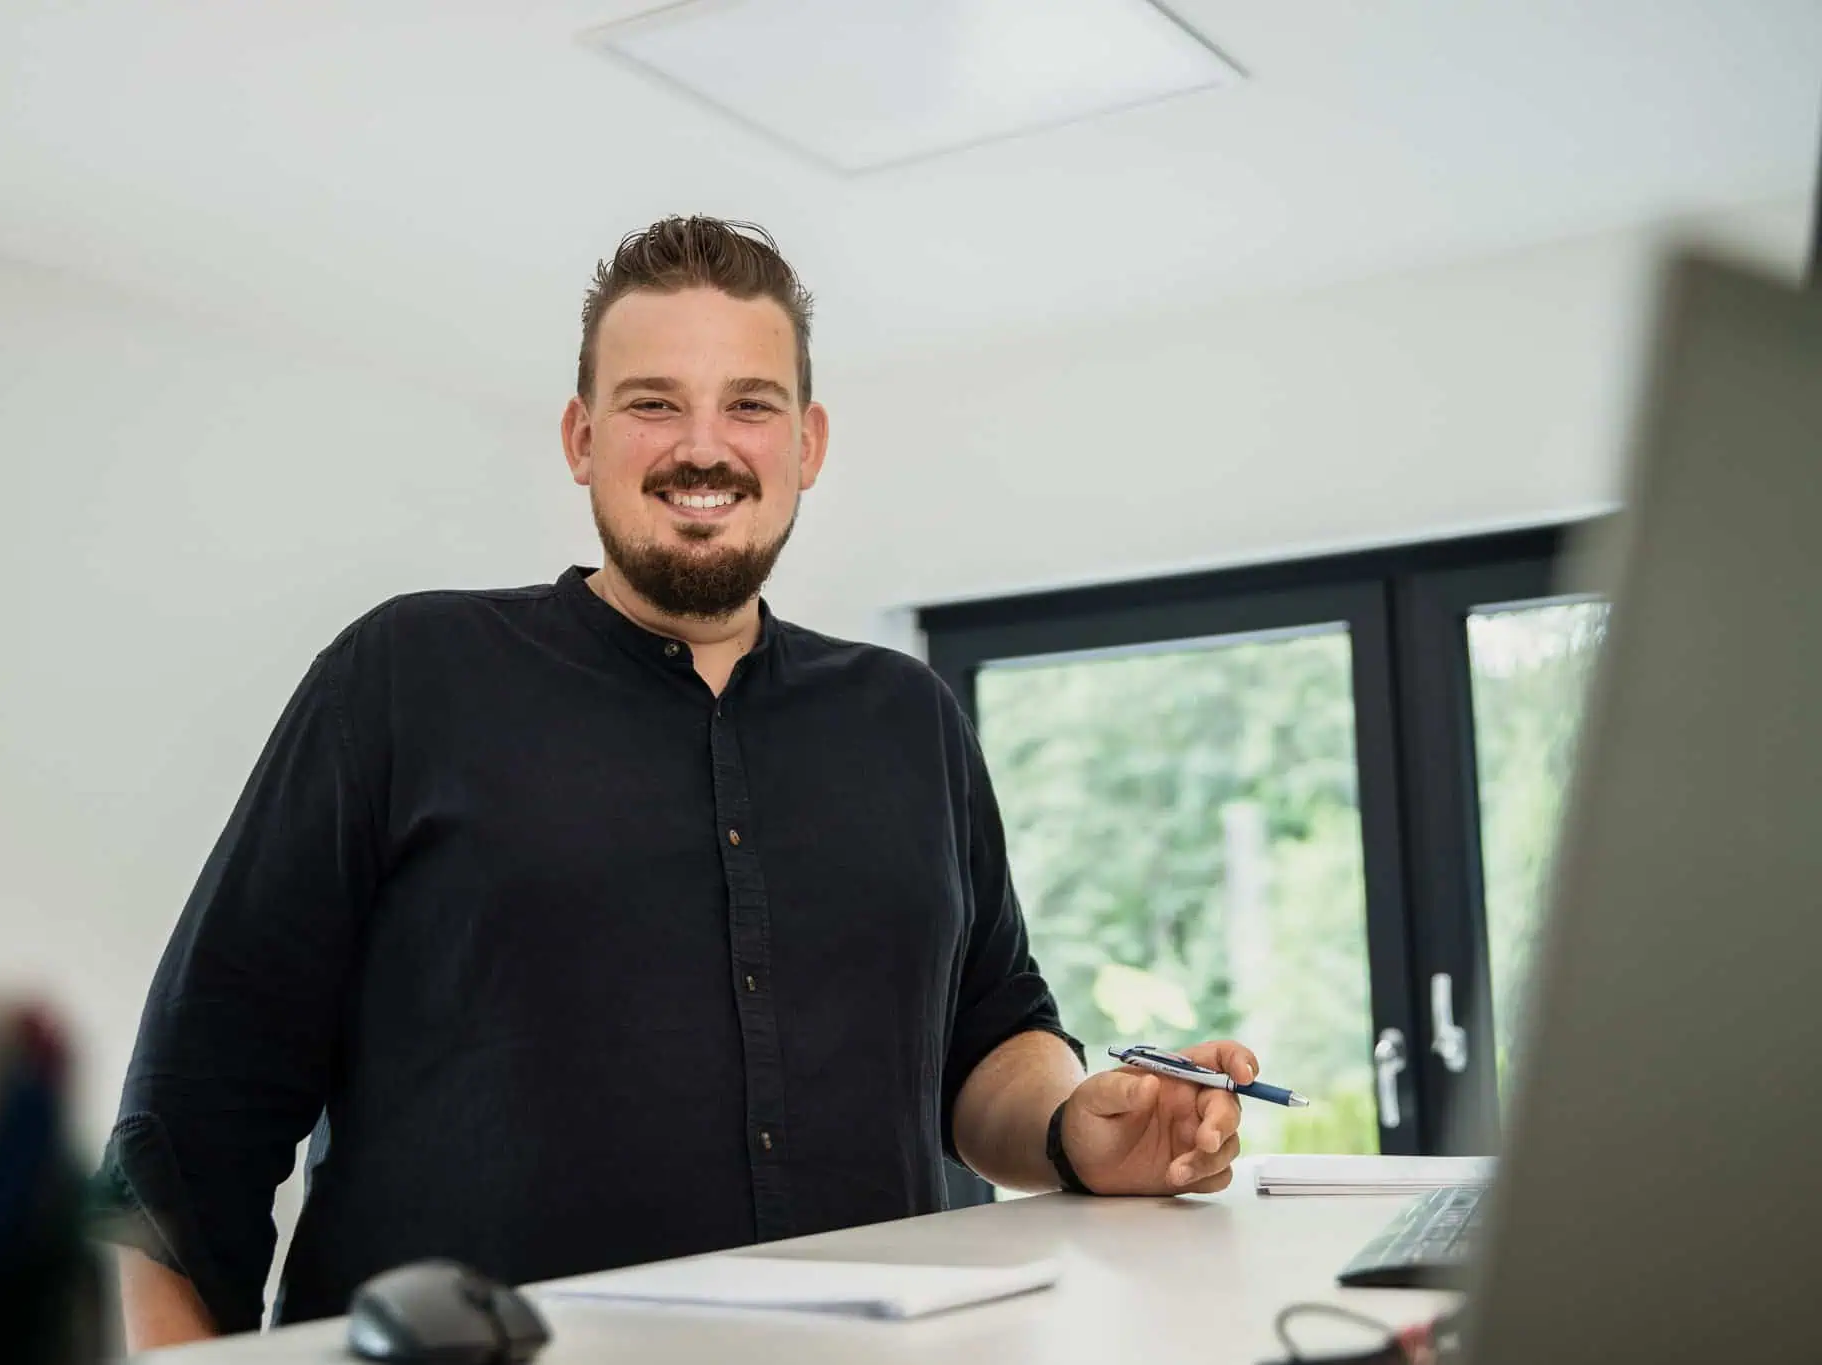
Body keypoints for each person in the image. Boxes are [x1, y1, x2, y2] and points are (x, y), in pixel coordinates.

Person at [101, 216, 1257, 1351]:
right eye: (653, 402)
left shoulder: (909, 717)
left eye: (747, 405)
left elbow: (986, 1034)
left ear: (804, 443)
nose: (702, 447)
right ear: (579, 437)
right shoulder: (404, 675)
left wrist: (1070, 1131)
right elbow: (197, 1098)